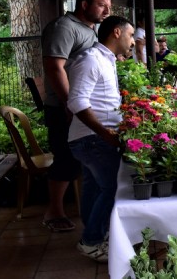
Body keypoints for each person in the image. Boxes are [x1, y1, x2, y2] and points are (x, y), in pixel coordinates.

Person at [41, 0, 111, 232]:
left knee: (81, 162)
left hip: (81, 107)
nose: (107, 11)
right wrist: (69, 103)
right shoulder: (64, 27)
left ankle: (85, 212)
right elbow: (54, 67)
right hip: (65, 108)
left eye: (108, 6)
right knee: (65, 159)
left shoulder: (88, 29)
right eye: (102, 5)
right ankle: (54, 212)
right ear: (84, 4)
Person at [66, 16, 134, 262]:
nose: (133, 42)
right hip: (92, 139)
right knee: (113, 188)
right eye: (130, 35)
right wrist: (106, 134)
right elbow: (76, 102)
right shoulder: (90, 60)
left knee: (94, 188)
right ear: (117, 32)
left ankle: (95, 234)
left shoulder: (106, 59)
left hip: (92, 138)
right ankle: (91, 240)